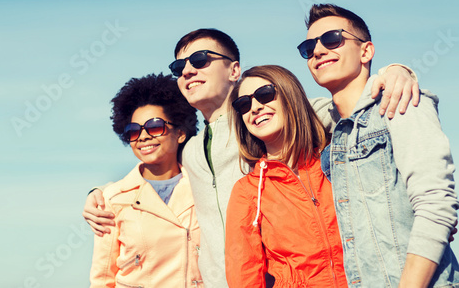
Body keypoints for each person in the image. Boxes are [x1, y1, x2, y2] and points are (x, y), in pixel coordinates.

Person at [84, 28, 419, 287]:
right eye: (179, 66)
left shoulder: (270, 118)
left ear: (234, 70)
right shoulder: (192, 151)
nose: (187, 71)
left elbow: (354, 107)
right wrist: (97, 196)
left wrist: (395, 71)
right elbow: (154, 178)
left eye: (200, 60)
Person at [297, 3, 459, 287]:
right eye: (308, 47)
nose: (318, 51)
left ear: (366, 51)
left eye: (332, 39)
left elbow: (436, 205)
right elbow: (277, 107)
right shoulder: (330, 128)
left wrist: (398, 72)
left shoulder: (402, 102)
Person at [225, 65, 348, 287]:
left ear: (290, 95)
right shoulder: (248, 191)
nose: (254, 107)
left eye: (265, 94)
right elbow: (244, 275)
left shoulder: (339, 157)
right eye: (243, 104)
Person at [89, 73, 203, 288]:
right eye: (133, 131)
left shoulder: (204, 186)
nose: (143, 136)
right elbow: (103, 278)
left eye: (154, 127)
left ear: (180, 133)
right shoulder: (113, 200)